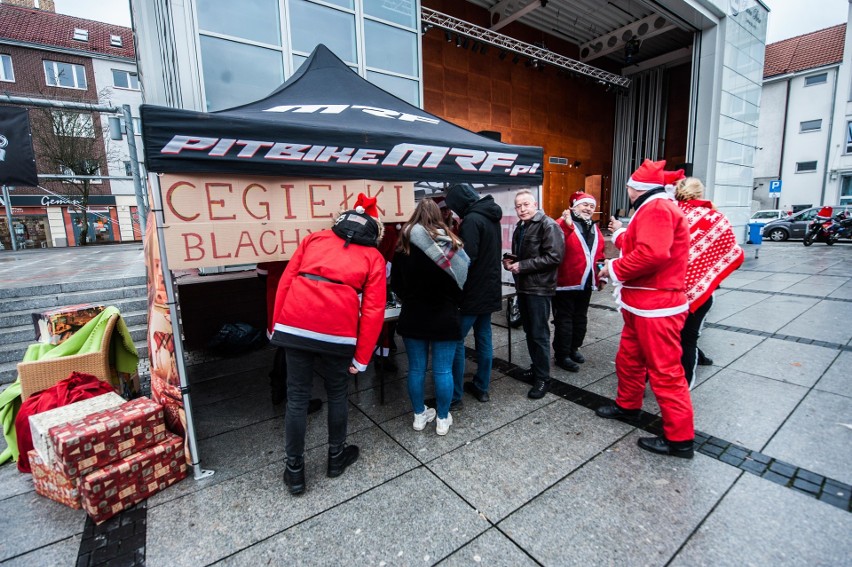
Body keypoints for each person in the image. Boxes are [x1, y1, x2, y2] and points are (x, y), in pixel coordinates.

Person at [271, 194, 386, 495]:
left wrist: (276, 327)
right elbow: (373, 311)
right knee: (337, 394)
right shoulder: (374, 257)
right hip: (338, 331)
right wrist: (362, 358)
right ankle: (336, 457)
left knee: (296, 398)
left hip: (295, 323)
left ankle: (294, 471)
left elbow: (286, 281)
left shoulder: (314, 240)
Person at [595, 159, 695, 459]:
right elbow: (643, 242)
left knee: (665, 372)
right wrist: (621, 234)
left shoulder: (656, 208)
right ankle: (628, 406)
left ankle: (680, 439)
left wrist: (611, 269)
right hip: (644, 305)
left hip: (657, 306)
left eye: (628, 185)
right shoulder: (655, 208)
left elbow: (651, 254)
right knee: (629, 358)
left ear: (635, 188)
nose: (626, 189)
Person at [392, 199, 468, 436]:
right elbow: (462, 285)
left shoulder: (403, 245)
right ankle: (443, 419)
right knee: (443, 371)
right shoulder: (453, 245)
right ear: (440, 216)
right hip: (444, 317)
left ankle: (418, 416)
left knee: (416, 370)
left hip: (413, 316)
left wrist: (411, 298)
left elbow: (395, 284)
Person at [674, 177, 744, 389]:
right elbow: (736, 255)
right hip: (702, 293)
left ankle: (647, 379)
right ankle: (684, 386)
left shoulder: (670, 214)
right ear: (700, 193)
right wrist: (708, 272)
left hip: (669, 291)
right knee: (689, 339)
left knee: (663, 340)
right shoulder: (717, 217)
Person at [444, 183, 503, 406]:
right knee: (484, 338)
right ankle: (482, 387)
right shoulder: (490, 215)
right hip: (490, 288)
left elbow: (467, 259)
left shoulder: (471, 220)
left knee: (456, 340)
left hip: (473, 291)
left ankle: (455, 395)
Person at [503, 190, 565, 399]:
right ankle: (537, 368)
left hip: (539, 289)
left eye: (526, 205)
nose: (522, 209)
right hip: (525, 287)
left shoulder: (548, 225)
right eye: (518, 206)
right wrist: (511, 260)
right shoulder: (522, 226)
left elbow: (554, 257)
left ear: (535, 204)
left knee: (539, 334)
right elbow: (525, 255)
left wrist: (523, 266)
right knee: (530, 332)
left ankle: (543, 379)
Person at [256, 261, 323, 413]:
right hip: (301, 299)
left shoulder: (272, 243)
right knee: (299, 351)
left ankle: (278, 391)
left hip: (278, 297)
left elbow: (262, 273)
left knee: (285, 346)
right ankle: (300, 401)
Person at [553, 191, 606, 372]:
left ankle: (573, 348)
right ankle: (562, 355)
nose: (588, 209)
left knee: (580, 319)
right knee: (564, 320)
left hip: (586, 282)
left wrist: (601, 276)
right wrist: (567, 227)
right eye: (584, 205)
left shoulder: (594, 227)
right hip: (565, 283)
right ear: (573, 206)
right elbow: (555, 246)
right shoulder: (561, 224)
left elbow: (599, 255)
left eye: (591, 206)